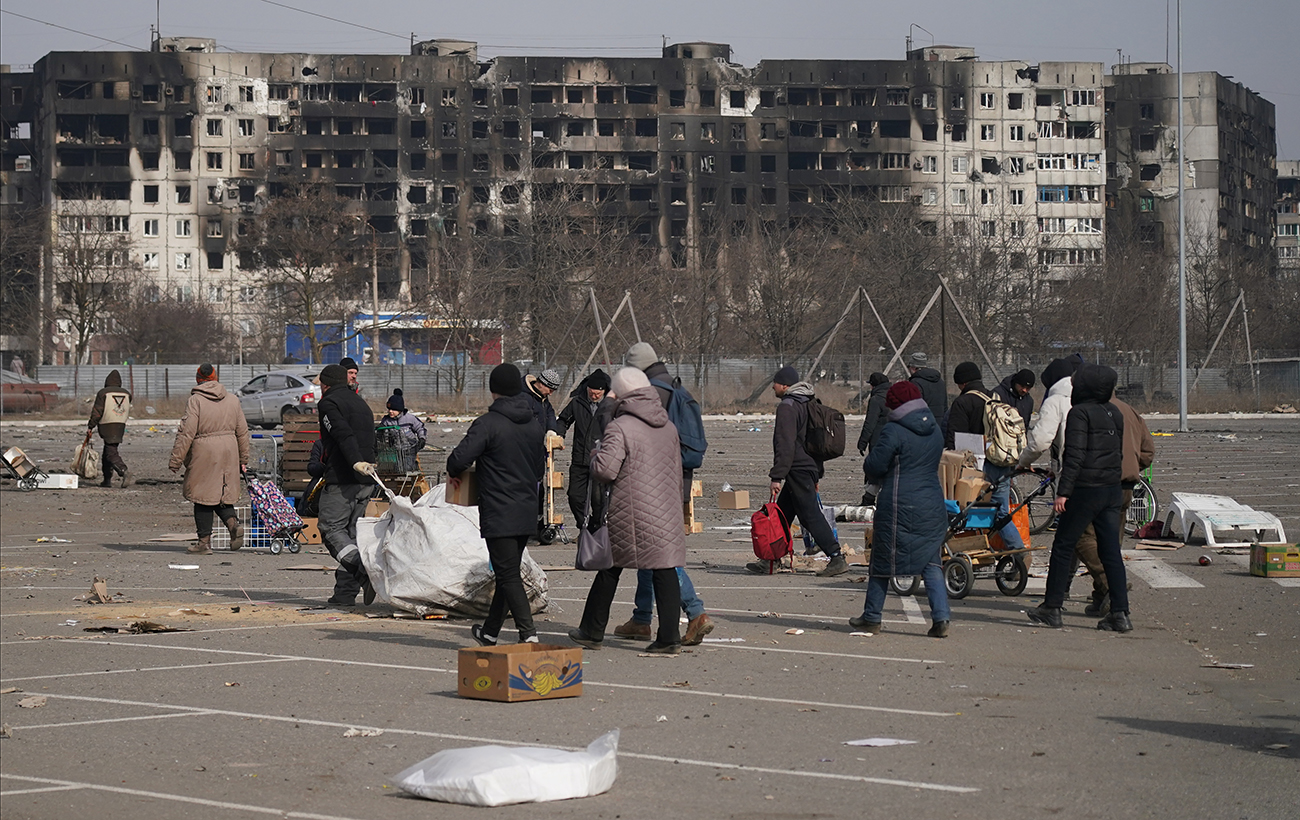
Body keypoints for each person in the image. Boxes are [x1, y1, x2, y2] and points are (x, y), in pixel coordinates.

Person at [569, 367, 686, 654]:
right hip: (666, 508)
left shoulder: (621, 427)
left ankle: (592, 630)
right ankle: (670, 637)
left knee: (610, 567)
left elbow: (605, 471)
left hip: (632, 510)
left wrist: (597, 454)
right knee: (664, 569)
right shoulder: (668, 426)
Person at [616, 343, 714, 645]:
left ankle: (695, 612)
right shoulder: (678, 389)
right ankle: (642, 618)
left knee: (660, 556)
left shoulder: (653, 395)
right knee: (652, 551)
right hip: (678, 481)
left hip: (654, 485)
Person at [1028, 364, 1133, 633]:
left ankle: (1052, 607)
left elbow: (1074, 455)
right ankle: (1120, 613)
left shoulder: (1079, 413)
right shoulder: (1114, 412)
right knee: (1111, 551)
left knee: (1064, 545)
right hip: (1111, 488)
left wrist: (1064, 492)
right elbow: (1116, 454)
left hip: (1086, 489)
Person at [449, 363, 546, 645]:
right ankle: (490, 631)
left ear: (493, 392)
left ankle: (528, 635)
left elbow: (458, 460)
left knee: (507, 574)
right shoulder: (534, 424)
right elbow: (539, 470)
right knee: (508, 572)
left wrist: (458, 473)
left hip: (499, 509)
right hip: (527, 508)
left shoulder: (487, 424)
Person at [855, 381, 951, 637]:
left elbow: (874, 466)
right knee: (931, 562)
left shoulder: (893, 431)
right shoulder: (934, 429)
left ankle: (872, 616)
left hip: (899, 502)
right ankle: (941, 618)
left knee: (882, 561)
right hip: (931, 501)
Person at [747, 366, 848, 576]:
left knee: (809, 514)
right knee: (783, 513)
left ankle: (836, 556)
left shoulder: (787, 406)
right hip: (806, 467)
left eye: (775, 383)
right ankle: (770, 559)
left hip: (798, 469)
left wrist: (777, 476)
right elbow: (815, 441)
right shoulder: (807, 402)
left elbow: (785, 444)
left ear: (784, 385)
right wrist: (817, 472)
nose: (772, 387)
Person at [1074, 395, 1155, 616]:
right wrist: (1131, 464)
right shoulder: (1130, 410)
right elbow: (1148, 451)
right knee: (1110, 542)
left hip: (1098, 484)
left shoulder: (1090, 410)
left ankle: (1111, 586)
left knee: (1081, 536)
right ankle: (1102, 596)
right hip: (1125, 485)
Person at [168, 364, 250, 555]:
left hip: (205, 451)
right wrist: (243, 458)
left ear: (198, 379)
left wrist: (176, 460)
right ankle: (232, 525)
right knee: (221, 494)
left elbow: (186, 432)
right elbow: (243, 432)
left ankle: (204, 543)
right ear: (215, 378)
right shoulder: (232, 400)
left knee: (202, 497)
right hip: (230, 450)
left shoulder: (195, 401)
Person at [946, 361, 1025, 554]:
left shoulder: (963, 402)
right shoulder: (996, 398)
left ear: (961, 383)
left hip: (976, 466)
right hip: (1000, 460)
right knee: (999, 511)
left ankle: (967, 549)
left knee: (963, 509)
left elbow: (955, 440)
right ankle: (1017, 551)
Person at [316, 363, 378, 606]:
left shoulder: (328, 403)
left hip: (344, 476)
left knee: (331, 529)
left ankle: (365, 574)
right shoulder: (360, 402)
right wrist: (369, 464)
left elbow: (342, 433)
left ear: (326, 384)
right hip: (366, 479)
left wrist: (355, 462)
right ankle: (344, 594)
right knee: (350, 536)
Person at [556, 368, 610, 525]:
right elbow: (563, 420)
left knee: (598, 499)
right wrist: (559, 434)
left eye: (597, 394)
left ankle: (596, 527)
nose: (593, 396)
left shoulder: (611, 405)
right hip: (579, 458)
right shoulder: (577, 402)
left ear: (604, 392)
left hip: (601, 459)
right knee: (575, 496)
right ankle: (584, 525)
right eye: (591, 393)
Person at [88, 369, 133, 488]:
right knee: (108, 451)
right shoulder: (127, 394)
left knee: (111, 452)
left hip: (107, 424)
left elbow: (97, 412)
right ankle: (107, 479)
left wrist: (90, 426)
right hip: (120, 424)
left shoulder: (103, 393)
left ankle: (123, 470)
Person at [855, 372, 890, 506]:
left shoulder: (876, 399)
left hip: (878, 440)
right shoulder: (895, 397)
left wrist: (862, 442)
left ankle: (868, 500)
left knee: (873, 471)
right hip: (893, 440)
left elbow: (870, 423)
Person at [378, 389, 426, 472]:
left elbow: (420, 427)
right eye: (389, 409)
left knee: (406, 468)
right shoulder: (386, 421)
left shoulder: (410, 418)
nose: (390, 411)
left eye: (393, 409)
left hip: (409, 448)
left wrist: (422, 439)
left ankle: (414, 465)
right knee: (393, 469)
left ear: (400, 410)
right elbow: (381, 432)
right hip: (395, 449)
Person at [944, 361, 988, 450]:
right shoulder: (994, 397)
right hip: (996, 453)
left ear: (963, 383)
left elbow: (955, 436)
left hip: (973, 456)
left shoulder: (962, 402)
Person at [907, 352, 947, 421]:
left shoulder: (915, 383)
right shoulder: (940, 381)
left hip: (923, 424)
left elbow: (915, 408)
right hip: (939, 424)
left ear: (913, 368)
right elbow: (945, 406)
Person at [523, 368, 563, 434]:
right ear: (542, 384)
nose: (550, 394)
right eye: (550, 390)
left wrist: (551, 428)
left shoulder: (543, 398)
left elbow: (550, 412)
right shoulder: (523, 397)